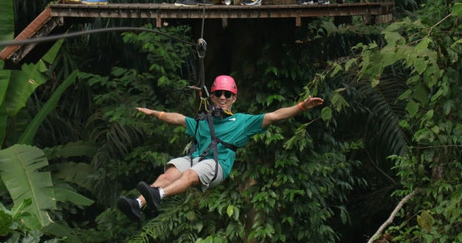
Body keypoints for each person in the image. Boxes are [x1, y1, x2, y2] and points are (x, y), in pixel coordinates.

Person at [117, 75, 325, 222]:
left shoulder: (242, 121)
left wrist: (301, 107)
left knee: (189, 174)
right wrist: (155, 113)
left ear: (234, 98)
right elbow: (179, 119)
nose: (223, 98)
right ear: (213, 97)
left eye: (227, 94)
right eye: (218, 94)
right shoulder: (204, 120)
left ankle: (159, 195)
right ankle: (138, 203)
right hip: (196, 157)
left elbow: (274, 116)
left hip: (218, 164)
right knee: (169, 172)